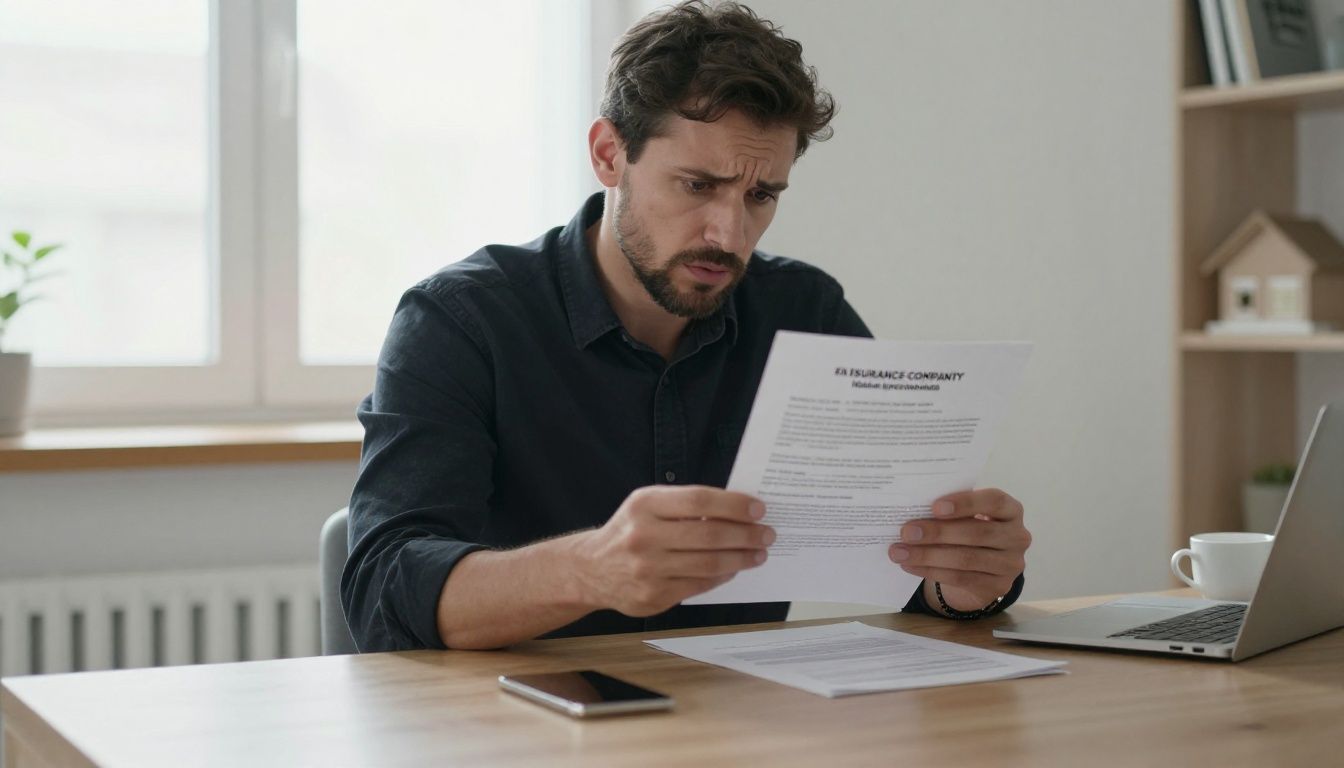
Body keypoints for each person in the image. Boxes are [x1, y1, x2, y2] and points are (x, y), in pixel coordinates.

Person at [343, 0, 1031, 652]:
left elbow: (900, 562)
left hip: (737, 723)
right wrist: (589, 568)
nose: (729, 234)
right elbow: (385, 590)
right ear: (610, 155)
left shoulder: (804, 312)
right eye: (698, 185)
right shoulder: (460, 321)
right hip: (513, 725)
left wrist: (963, 583)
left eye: (761, 195)